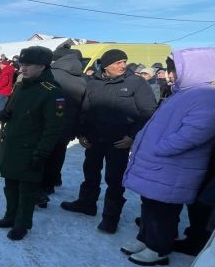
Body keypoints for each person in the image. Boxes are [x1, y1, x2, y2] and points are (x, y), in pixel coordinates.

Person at [119, 49, 215, 266]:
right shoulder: (183, 93)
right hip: (162, 165)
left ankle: (158, 248)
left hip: (175, 165)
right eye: (170, 70)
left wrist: (162, 148)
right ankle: (145, 239)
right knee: (150, 203)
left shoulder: (207, 96)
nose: (169, 75)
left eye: (173, 71)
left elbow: (197, 131)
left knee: (164, 209)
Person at [61, 49, 158, 233]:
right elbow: (84, 110)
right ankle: (86, 203)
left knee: (114, 179)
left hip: (119, 140)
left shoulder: (136, 83)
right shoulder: (93, 83)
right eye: (117, 62)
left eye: (124, 61)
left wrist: (132, 135)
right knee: (90, 171)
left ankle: (110, 218)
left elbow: (148, 112)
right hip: (94, 139)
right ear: (105, 66)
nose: (122, 65)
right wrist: (81, 133)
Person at [0, 47, 64, 240]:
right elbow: (14, 109)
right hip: (12, 145)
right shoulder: (21, 85)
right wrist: (6, 114)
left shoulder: (52, 92)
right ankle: (10, 217)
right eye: (22, 64)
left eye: (27, 65)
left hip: (31, 149)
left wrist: (42, 153)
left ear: (41, 66)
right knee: (10, 185)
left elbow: (53, 128)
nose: (23, 68)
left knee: (27, 190)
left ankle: (22, 224)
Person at [40, 48, 87, 203]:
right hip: (68, 125)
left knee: (43, 154)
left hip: (49, 122)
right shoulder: (82, 78)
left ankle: (41, 188)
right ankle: (51, 183)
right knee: (59, 153)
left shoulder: (50, 73)